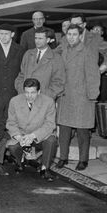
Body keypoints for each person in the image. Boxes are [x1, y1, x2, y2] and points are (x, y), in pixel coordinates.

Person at [56, 24, 100, 171]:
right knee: (64, 130)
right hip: (65, 95)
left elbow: (93, 75)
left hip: (82, 97)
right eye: (69, 34)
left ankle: (83, 160)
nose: (71, 37)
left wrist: (92, 96)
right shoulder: (62, 50)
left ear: (80, 36)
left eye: (75, 34)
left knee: (82, 132)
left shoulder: (87, 51)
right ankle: (63, 157)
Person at [6, 78, 57, 182]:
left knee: (52, 140)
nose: (29, 96)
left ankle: (45, 168)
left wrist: (32, 136)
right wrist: (20, 137)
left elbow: (50, 124)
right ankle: (20, 162)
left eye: (33, 93)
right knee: (12, 146)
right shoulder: (14, 101)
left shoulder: (48, 102)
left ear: (38, 92)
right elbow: (11, 123)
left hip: (39, 137)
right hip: (22, 136)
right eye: (27, 92)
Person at [15, 27, 65, 100]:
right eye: (36, 38)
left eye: (40, 39)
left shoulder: (56, 58)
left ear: (48, 40)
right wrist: (21, 90)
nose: (37, 41)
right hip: (26, 98)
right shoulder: (28, 54)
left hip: (44, 100)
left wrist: (46, 95)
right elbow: (21, 75)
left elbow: (59, 82)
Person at [0, 23, 24, 105]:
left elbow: (23, 71)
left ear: (12, 34)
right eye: (1, 34)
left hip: (15, 92)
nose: (4, 36)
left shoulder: (20, 50)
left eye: (6, 34)